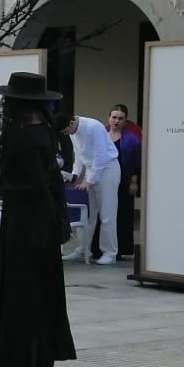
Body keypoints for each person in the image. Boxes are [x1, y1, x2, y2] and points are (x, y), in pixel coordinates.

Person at [0, 72, 75, 367]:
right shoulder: (40, 131)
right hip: (36, 218)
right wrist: (57, 219)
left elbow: (35, 183)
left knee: (23, 288)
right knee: (37, 287)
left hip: (25, 222)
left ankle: (21, 360)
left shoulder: (24, 135)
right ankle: (36, 359)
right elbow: (46, 183)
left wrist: (47, 217)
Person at [65, 111, 120, 265]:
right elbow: (79, 155)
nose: (66, 133)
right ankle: (83, 249)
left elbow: (101, 156)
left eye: (65, 130)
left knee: (107, 214)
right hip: (92, 169)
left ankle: (110, 253)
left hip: (107, 168)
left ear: (71, 123)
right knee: (87, 214)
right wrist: (75, 175)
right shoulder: (73, 131)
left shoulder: (93, 127)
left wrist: (89, 181)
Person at [100, 105, 141, 259]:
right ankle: (99, 249)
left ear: (125, 121)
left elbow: (137, 164)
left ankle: (120, 249)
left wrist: (134, 182)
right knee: (103, 214)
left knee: (122, 214)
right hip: (103, 180)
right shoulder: (101, 134)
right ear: (109, 118)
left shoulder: (132, 139)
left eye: (120, 118)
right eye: (114, 117)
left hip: (124, 181)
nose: (116, 121)